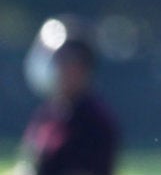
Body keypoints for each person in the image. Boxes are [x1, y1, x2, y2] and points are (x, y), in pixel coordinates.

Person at [15, 16, 120, 175]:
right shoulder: (48, 113)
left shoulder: (95, 121)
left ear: (83, 68)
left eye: (64, 61)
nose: (58, 68)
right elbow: (30, 162)